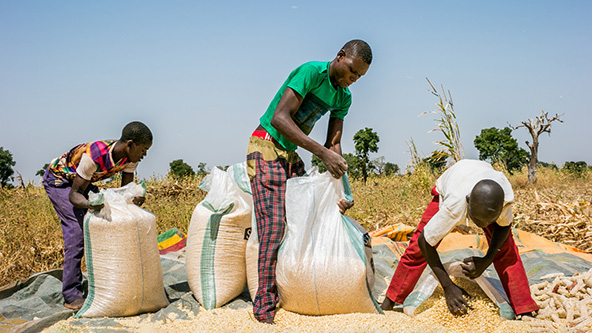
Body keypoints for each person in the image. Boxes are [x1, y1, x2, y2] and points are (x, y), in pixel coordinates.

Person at [246, 39, 372, 324]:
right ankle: (264, 306)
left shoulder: (343, 97)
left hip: (289, 154)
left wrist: (343, 187)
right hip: (265, 146)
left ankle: (294, 290)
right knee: (275, 224)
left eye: (359, 77)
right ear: (340, 57)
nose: (353, 80)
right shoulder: (311, 73)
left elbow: (334, 144)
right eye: (352, 71)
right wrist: (322, 153)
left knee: (308, 217)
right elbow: (279, 118)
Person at [381, 159, 539, 318]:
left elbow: (503, 227)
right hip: (453, 184)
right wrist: (448, 286)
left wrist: (486, 260)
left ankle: (524, 308)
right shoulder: (454, 204)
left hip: (483, 183)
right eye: (477, 220)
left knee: (506, 250)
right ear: (468, 202)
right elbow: (424, 241)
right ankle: (390, 301)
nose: (482, 225)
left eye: (488, 222)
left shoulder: (503, 198)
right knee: (416, 249)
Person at [42, 121, 153, 310]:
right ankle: (71, 294)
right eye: (143, 149)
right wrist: (94, 204)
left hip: (82, 182)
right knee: (76, 234)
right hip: (60, 181)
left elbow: (124, 191)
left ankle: (110, 282)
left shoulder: (131, 159)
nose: (145, 154)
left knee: (110, 222)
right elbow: (74, 196)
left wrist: (132, 199)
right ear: (130, 144)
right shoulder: (94, 156)